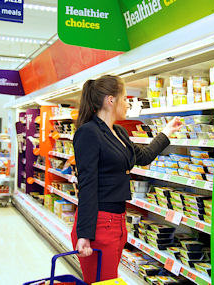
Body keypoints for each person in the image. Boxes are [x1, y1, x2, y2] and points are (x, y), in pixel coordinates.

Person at [71, 75, 182, 284]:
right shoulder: (88, 133)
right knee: (102, 281)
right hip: (99, 223)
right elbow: (87, 184)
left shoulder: (119, 132)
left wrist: (166, 132)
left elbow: (143, 156)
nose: (127, 103)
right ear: (110, 100)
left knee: (107, 280)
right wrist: (84, 234)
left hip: (118, 220)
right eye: (124, 98)